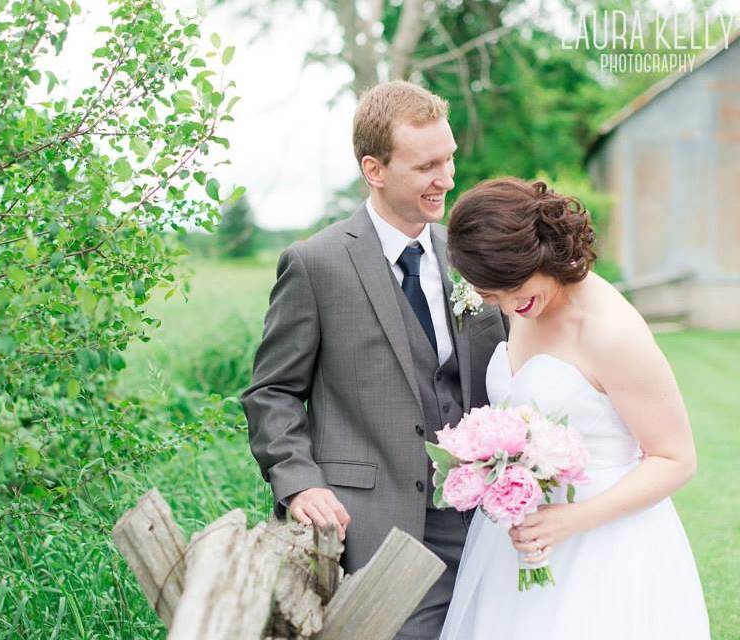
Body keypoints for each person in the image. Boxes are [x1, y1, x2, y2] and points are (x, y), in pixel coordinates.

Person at [240, 81, 508, 640]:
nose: (448, 178)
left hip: (482, 520)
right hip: (372, 524)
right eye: (427, 165)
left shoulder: (467, 259)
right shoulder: (317, 265)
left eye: (450, 158)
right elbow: (272, 393)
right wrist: (300, 483)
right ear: (375, 169)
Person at [439, 177, 709, 639]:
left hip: (604, 544)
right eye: (490, 295)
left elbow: (676, 458)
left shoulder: (609, 331)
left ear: (540, 254)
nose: (506, 305)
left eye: (511, 287)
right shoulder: (525, 301)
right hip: (518, 541)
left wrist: (571, 520)